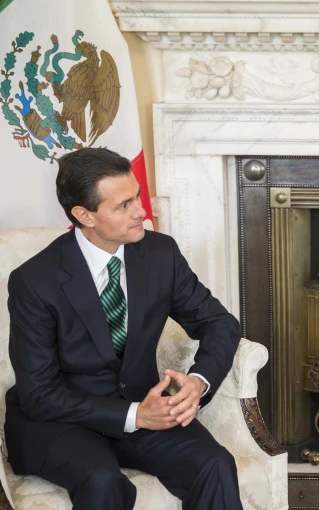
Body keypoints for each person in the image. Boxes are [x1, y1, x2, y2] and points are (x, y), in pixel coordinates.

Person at [4, 148, 243, 510]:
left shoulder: (161, 254)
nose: (141, 212)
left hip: (141, 403)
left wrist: (199, 380)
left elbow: (219, 322)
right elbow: (39, 396)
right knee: (102, 481)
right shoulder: (34, 282)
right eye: (123, 205)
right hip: (60, 421)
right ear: (84, 215)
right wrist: (135, 416)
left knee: (215, 465)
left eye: (138, 197)